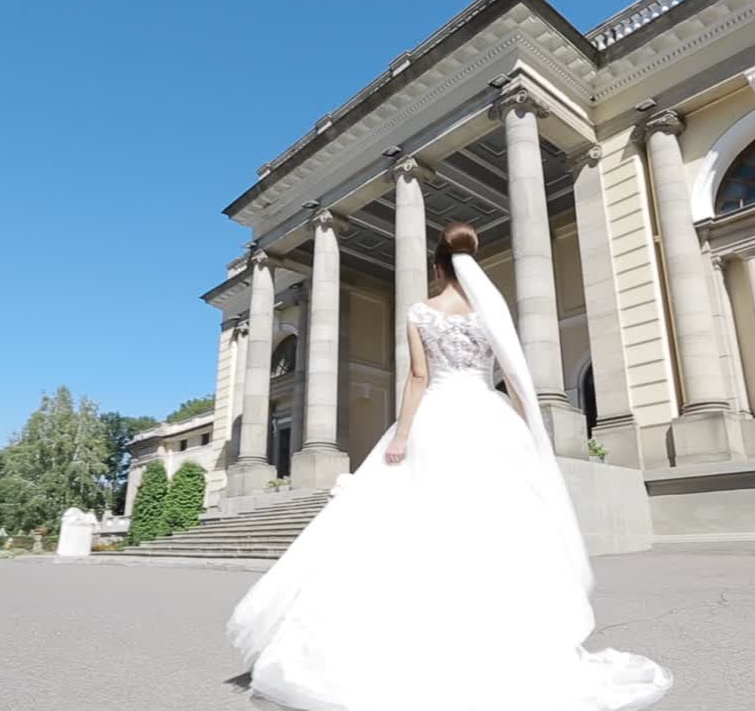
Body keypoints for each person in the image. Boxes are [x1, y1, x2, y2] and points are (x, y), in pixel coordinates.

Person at [227, 222, 673, 711]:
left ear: (438, 267)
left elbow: (418, 376)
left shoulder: (420, 312)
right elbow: (511, 374)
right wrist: (530, 428)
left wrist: (400, 437)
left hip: (438, 417)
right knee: (496, 529)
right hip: (488, 418)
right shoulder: (491, 312)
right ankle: (507, 638)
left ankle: (417, 635)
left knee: (422, 527)